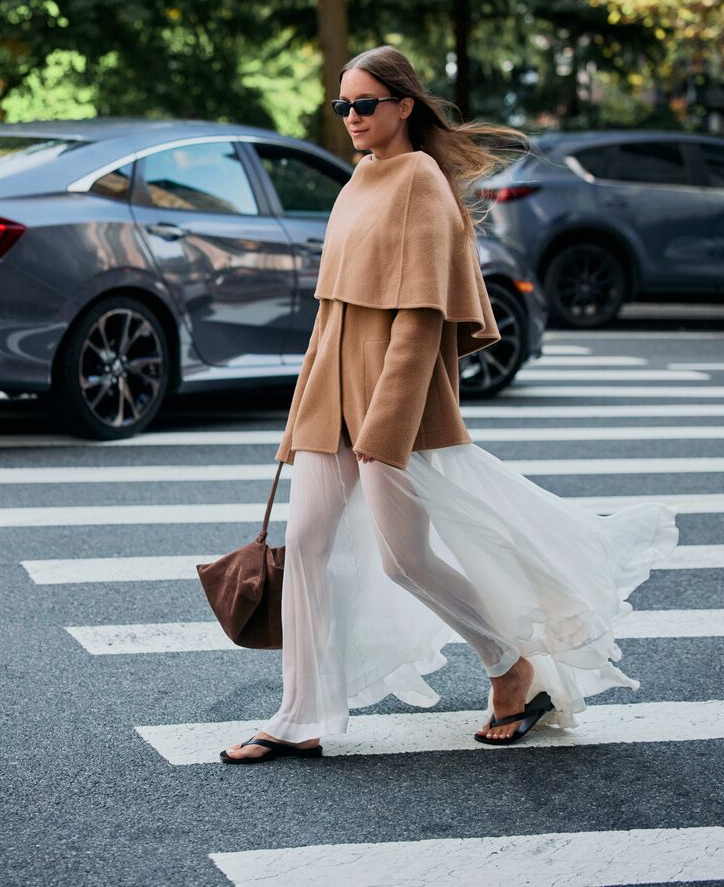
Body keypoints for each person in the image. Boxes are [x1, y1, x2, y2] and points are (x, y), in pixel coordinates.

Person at [221, 45, 679, 764]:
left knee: (404, 560)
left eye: (364, 104)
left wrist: (386, 424)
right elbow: (330, 312)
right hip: (330, 390)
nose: (351, 117)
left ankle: (509, 664)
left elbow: (419, 320)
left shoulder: (423, 184)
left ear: (404, 105)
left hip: (386, 399)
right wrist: (302, 409)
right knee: (305, 545)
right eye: (343, 105)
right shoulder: (358, 180)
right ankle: (298, 716)